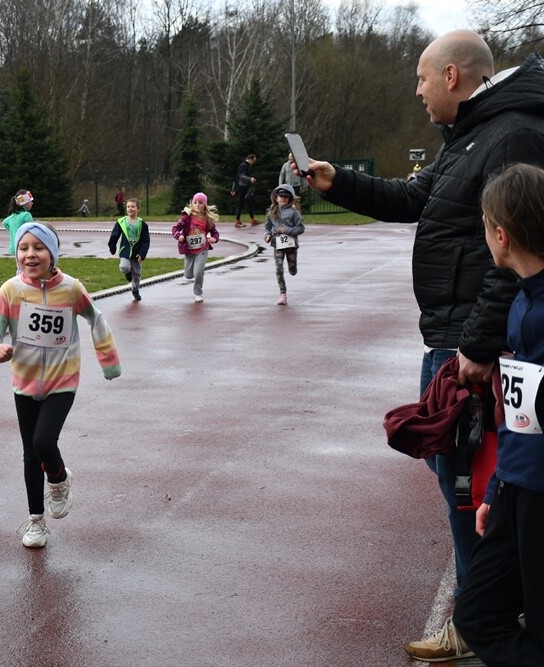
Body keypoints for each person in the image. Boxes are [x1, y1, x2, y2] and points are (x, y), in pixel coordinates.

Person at [299, 31, 544, 661]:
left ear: (453, 76)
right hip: (450, 336)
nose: (417, 90)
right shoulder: (472, 133)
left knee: (472, 481)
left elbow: (517, 250)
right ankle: (486, 610)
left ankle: (481, 616)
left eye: (422, 78)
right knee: (456, 475)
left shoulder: (511, 133)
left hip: (469, 347)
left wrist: (478, 345)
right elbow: (415, 198)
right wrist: (338, 182)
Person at [449, 163, 544, 665]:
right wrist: (499, 487)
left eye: (484, 227)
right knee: (477, 614)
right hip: (518, 484)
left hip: (539, 493)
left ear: (501, 236)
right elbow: (519, 412)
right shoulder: (522, 299)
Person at [0, 222, 121, 548]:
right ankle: (36, 522)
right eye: (23, 248)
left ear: (53, 253)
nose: (30, 254)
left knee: (43, 441)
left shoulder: (71, 289)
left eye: (39, 248)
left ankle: (58, 479)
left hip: (62, 380)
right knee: (30, 453)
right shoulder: (10, 291)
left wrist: (109, 362)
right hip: (24, 382)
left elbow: (96, 319)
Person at [171, 193, 220, 303]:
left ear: (205, 205)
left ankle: (198, 293)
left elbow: (215, 233)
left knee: (198, 272)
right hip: (189, 250)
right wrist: (179, 236)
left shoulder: (208, 220)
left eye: (200, 203)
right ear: (192, 204)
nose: (197, 205)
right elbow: (175, 229)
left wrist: (214, 239)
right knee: (188, 275)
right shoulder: (186, 217)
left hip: (203, 249)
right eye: (195, 202)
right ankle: (194, 272)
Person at [264, 184, 305, 306]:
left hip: (291, 246)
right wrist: (267, 235)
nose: (283, 198)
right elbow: (267, 227)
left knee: (292, 270)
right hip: (277, 245)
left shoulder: (294, 212)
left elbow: (301, 228)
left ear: (290, 198)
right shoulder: (271, 212)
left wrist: (286, 230)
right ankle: (283, 294)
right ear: (276, 198)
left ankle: (293, 268)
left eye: (286, 197)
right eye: (281, 196)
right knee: (279, 269)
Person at [108, 197, 150, 301]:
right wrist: (112, 247)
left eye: (133, 207)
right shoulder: (121, 222)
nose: (130, 208)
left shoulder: (142, 224)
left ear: (138, 209)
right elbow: (114, 235)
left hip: (137, 253)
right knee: (124, 266)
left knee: (137, 274)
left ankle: (135, 290)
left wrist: (142, 254)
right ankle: (127, 273)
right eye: (128, 207)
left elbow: (146, 240)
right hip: (125, 251)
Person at [1, 189, 34, 256]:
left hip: (12, 249)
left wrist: (13, 231)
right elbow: (31, 231)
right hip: (23, 248)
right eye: (30, 201)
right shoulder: (27, 215)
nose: (32, 203)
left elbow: (4, 222)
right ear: (24, 203)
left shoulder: (11, 217)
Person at [230, 154, 258, 228]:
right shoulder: (243, 166)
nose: (253, 163)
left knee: (248, 202)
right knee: (241, 203)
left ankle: (252, 219)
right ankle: (237, 221)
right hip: (242, 187)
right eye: (253, 161)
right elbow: (240, 176)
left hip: (244, 187)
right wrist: (250, 179)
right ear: (250, 159)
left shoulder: (246, 166)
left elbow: (237, 177)